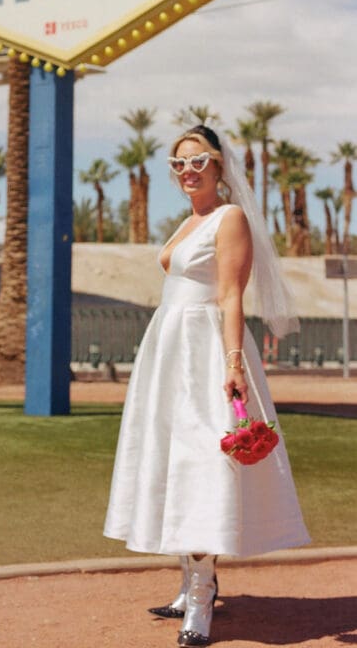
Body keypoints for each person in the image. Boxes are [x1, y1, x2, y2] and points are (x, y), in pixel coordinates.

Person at [103, 123, 309, 647]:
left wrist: (234, 362)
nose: (187, 172)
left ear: (219, 166)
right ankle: (188, 584)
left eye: (198, 162)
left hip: (206, 353)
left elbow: (230, 296)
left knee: (202, 464)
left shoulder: (229, 217)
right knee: (173, 460)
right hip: (167, 351)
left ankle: (201, 598)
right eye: (178, 164)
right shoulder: (186, 222)